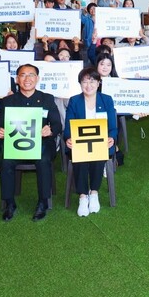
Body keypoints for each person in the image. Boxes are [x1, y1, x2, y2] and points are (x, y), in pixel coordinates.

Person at [0, 64, 63, 222]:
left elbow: (57, 124)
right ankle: (9, 203)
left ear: (37, 78)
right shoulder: (8, 101)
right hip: (16, 144)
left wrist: (50, 130)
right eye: (23, 75)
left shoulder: (47, 98)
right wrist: (1, 131)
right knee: (6, 161)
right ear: (17, 79)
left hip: (42, 144)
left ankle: (43, 202)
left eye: (31, 75)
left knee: (43, 160)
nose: (27, 79)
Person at [64, 67, 118, 217]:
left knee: (98, 154)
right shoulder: (74, 100)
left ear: (99, 83)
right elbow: (68, 127)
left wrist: (111, 138)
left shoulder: (106, 99)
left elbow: (113, 127)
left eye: (92, 81)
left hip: (101, 142)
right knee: (80, 155)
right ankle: (82, 195)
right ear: (80, 84)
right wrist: (69, 139)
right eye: (85, 81)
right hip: (80, 142)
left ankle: (94, 192)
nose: (88, 85)